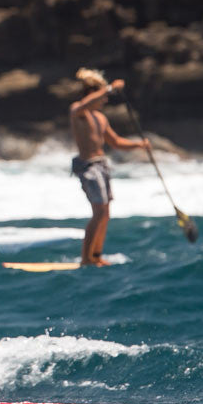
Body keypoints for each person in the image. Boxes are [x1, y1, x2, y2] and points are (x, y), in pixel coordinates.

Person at [69, 68, 149, 267]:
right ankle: (86, 259)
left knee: (105, 213)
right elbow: (85, 104)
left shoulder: (101, 118)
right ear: (93, 93)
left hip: (102, 165)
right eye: (102, 96)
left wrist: (139, 145)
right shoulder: (78, 111)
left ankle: (96, 255)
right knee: (98, 212)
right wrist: (110, 88)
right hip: (88, 167)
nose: (105, 100)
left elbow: (116, 142)